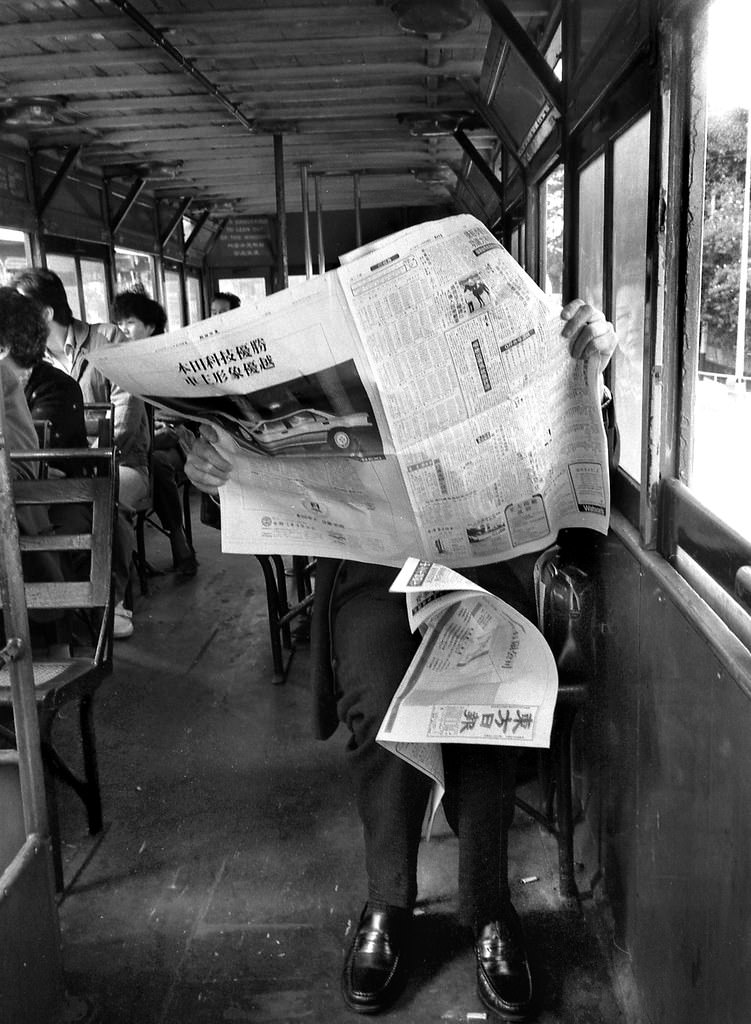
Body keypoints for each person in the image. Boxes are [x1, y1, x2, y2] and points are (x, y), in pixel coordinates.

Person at [184, 298, 617, 1022]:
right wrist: (218, 473)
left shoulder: (511, 366)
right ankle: (387, 900)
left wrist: (594, 368)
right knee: (382, 695)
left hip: (482, 565)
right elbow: (251, 489)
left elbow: (572, 457)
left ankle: (487, 908)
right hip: (370, 570)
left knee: (480, 690)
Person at [11, 268, 150, 640]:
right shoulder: (31, 361)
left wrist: (86, 456)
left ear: (43, 314)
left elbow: (125, 417)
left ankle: (111, 600)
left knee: (109, 498)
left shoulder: (107, 345)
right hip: (70, 463)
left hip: (122, 460)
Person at [113, 290, 197, 576]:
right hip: (144, 443)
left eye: (130, 323)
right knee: (151, 460)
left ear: (150, 326)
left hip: (175, 437)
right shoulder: (119, 362)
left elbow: (186, 410)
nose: (123, 330)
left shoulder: (169, 360)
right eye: (120, 324)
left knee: (158, 463)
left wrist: (163, 426)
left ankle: (178, 537)